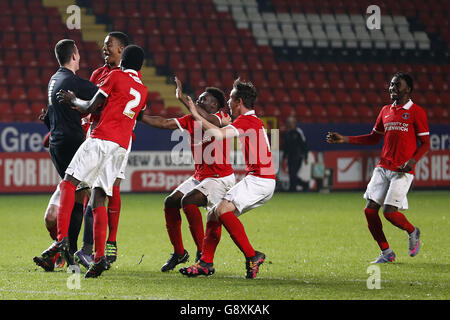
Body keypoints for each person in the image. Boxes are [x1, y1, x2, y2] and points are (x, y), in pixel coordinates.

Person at [39, 45, 148, 278]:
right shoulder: (143, 89)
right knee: (99, 195)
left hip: (101, 139)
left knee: (69, 182)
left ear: (123, 60)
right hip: (121, 147)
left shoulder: (115, 76)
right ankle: (99, 258)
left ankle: (61, 241)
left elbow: (89, 106)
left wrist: (72, 100)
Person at [326, 72, 430, 263]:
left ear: (408, 89)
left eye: (397, 85)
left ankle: (412, 231)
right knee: (369, 211)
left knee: (389, 213)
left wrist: (412, 162)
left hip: (402, 171)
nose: (392, 88)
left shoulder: (417, 112)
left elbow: (425, 143)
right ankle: (386, 252)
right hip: (383, 167)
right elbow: (374, 137)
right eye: (391, 85)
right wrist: (345, 139)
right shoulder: (385, 111)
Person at [179, 78, 276, 279]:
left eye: (231, 99)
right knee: (214, 213)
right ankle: (205, 263)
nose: (229, 103)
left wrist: (195, 113)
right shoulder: (250, 120)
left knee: (222, 210)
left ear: (239, 101)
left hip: (260, 179)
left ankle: (252, 255)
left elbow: (217, 133)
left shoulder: (247, 120)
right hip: (260, 178)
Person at [139, 77, 235, 272]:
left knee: (188, 202)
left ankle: (202, 255)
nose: (199, 100)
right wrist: (138, 116)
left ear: (215, 104)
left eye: (204, 99)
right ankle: (180, 253)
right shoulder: (192, 119)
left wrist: (183, 99)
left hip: (219, 178)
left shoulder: (220, 117)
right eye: (198, 98)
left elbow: (207, 119)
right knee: (170, 202)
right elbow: (164, 123)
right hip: (201, 176)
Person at [33, 39, 98, 271]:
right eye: (78, 54)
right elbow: (102, 96)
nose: (79, 58)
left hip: (62, 146)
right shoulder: (73, 82)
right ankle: (64, 251)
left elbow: (54, 114)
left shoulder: (54, 79)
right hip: (70, 146)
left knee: (71, 201)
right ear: (73, 56)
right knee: (69, 203)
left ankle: (63, 253)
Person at [75, 31, 136, 268]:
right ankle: (89, 248)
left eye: (108, 45)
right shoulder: (98, 74)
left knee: (110, 188)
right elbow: (89, 105)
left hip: (118, 137)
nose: (104, 48)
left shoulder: (129, 75)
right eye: (103, 45)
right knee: (89, 189)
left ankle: (109, 241)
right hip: (96, 134)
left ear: (121, 49)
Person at [282, 116, 309, 192]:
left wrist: (305, 156)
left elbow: (304, 145)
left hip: (298, 156)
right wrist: (284, 157)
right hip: (290, 156)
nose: (289, 124)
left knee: (293, 173)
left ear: (294, 123)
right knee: (291, 173)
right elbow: (286, 147)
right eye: (288, 123)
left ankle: (293, 188)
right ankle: (303, 184)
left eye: (291, 123)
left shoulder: (298, 132)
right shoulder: (287, 133)